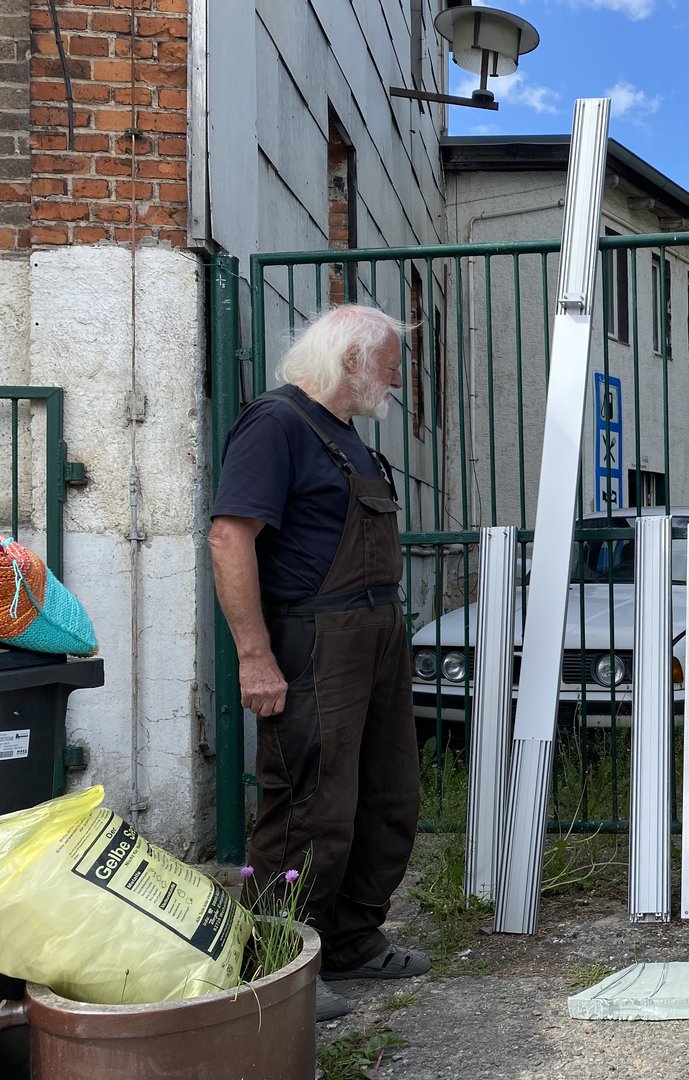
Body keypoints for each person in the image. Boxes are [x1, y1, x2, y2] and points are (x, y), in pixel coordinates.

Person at [209, 305, 428, 1021]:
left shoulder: (347, 436)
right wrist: (254, 656)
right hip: (313, 642)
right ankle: (279, 962)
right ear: (352, 360)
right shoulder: (276, 424)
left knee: (388, 797)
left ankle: (353, 942)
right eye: (390, 363)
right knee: (311, 810)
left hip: (376, 634)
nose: (397, 378)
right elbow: (230, 539)